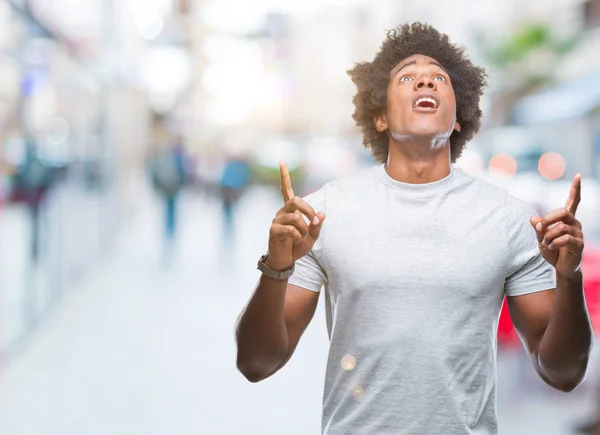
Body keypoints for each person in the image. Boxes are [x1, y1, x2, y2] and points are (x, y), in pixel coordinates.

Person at [234, 23, 593, 435]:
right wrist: (276, 267)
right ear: (381, 117)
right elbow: (256, 363)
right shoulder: (322, 214)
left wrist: (569, 277)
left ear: (458, 118)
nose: (425, 78)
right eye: (407, 76)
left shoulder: (511, 219)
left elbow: (563, 372)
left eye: (439, 77)